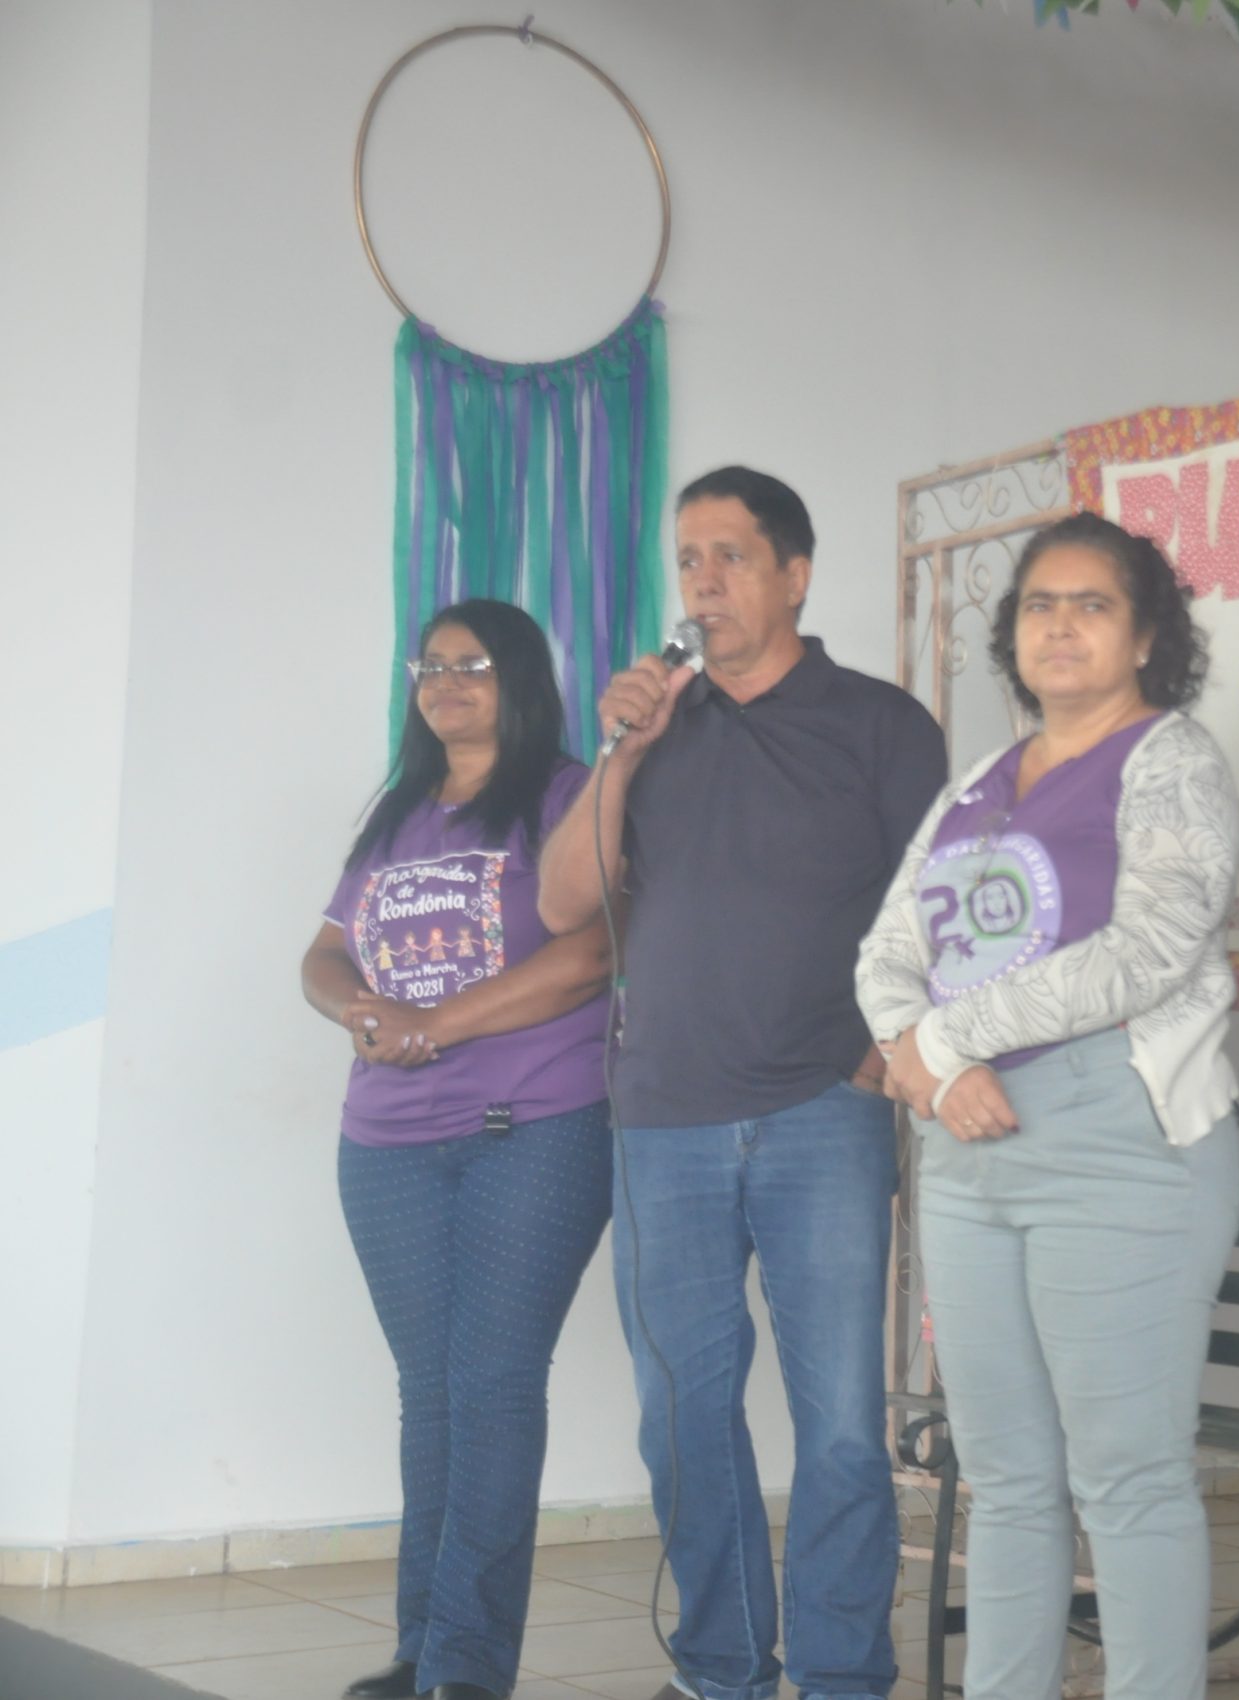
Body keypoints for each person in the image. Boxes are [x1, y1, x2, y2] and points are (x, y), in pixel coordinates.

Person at [535, 467, 947, 1700]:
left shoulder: (880, 723)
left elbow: (939, 905)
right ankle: (720, 1668)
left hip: (823, 1109)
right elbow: (563, 901)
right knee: (681, 1416)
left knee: (840, 1422)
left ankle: (840, 1672)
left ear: (795, 575)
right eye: (688, 560)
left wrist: (878, 1052)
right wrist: (624, 752)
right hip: (664, 1117)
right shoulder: (658, 728)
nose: (703, 582)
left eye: (730, 556)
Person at [857, 513, 1239, 1700]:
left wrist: (947, 1039)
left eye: (1092, 603)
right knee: (1007, 1480)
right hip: (966, 1148)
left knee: (1125, 1477)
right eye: (1039, 603)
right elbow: (887, 951)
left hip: (1118, 1144)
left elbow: (1150, 949)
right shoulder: (977, 783)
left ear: (1146, 635)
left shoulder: (1171, 760)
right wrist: (923, 1061)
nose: (1061, 624)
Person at [300, 599, 615, 1700]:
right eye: (429, 666)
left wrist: (436, 1021)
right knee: (430, 1391)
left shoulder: (567, 794)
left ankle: (468, 1664)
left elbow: (591, 953)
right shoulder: (396, 814)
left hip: (533, 1128)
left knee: (491, 1383)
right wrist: (359, 1009)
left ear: (519, 677)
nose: (444, 682)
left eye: (472, 664)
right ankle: (420, 1650)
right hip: (385, 1142)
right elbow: (323, 953)